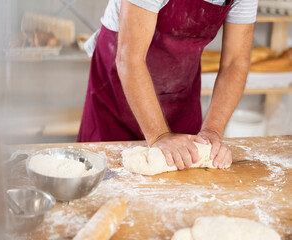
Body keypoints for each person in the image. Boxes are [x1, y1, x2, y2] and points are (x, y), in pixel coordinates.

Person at [77, 0, 257, 170]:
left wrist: (212, 131)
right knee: (106, 179)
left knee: (185, 185)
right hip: (119, 91)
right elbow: (129, 59)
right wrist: (160, 136)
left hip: (180, 89)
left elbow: (235, 62)